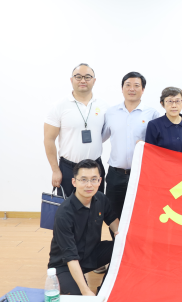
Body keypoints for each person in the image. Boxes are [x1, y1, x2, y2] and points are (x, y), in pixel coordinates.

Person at [48, 159, 119, 296]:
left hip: (91, 254)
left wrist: (119, 232)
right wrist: (85, 290)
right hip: (65, 264)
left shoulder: (101, 198)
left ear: (100, 181)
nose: (89, 185)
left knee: (122, 248)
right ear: (74, 182)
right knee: (79, 296)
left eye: (94, 179)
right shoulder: (64, 214)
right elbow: (70, 257)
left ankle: (105, 290)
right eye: (83, 180)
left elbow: (112, 220)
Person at [102, 72, 160, 238]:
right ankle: (116, 250)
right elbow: (101, 137)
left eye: (136, 85)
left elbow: (157, 145)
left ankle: (135, 250)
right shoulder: (111, 112)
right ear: (122, 88)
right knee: (113, 214)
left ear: (143, 89)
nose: (132, 89)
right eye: (128, 85)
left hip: (141, 174)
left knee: (141, 214)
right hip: (115, 174)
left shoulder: (152, 114)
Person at [44, 63, 109, 197]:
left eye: (87, 77)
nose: (83, 80)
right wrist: (55, 170)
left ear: (94, 80)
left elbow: (104, 134)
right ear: (71, 80)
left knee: (96, 206)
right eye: (78, 77)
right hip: (69, 169)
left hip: (95, 167)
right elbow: (48, 139)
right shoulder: (59, 106)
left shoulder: (103, 106)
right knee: (68, 206)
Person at [145, 87, 182, 154]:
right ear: (162, 104)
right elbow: (150, 153)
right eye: (170, 101)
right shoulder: (154, 125)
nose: (174, 106)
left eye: (177, 101)